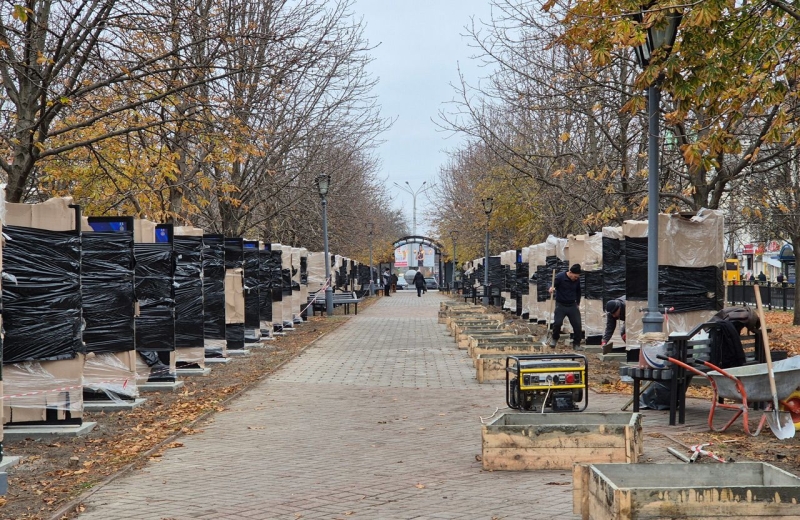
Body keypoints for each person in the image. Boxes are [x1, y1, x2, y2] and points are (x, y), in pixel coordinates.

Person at [548, 264, 583, 350]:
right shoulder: (560, 277)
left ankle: (576, 344)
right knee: (557, 323)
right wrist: (550, 288)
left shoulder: (577, 280)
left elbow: (579, 291)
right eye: (575, 276)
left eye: (577, 277)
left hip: (572, 305)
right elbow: (551, 283)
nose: (576, 278)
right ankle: (554, 339)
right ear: (570, 273)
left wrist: (578, 303)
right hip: (561, 305)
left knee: (577, 325)